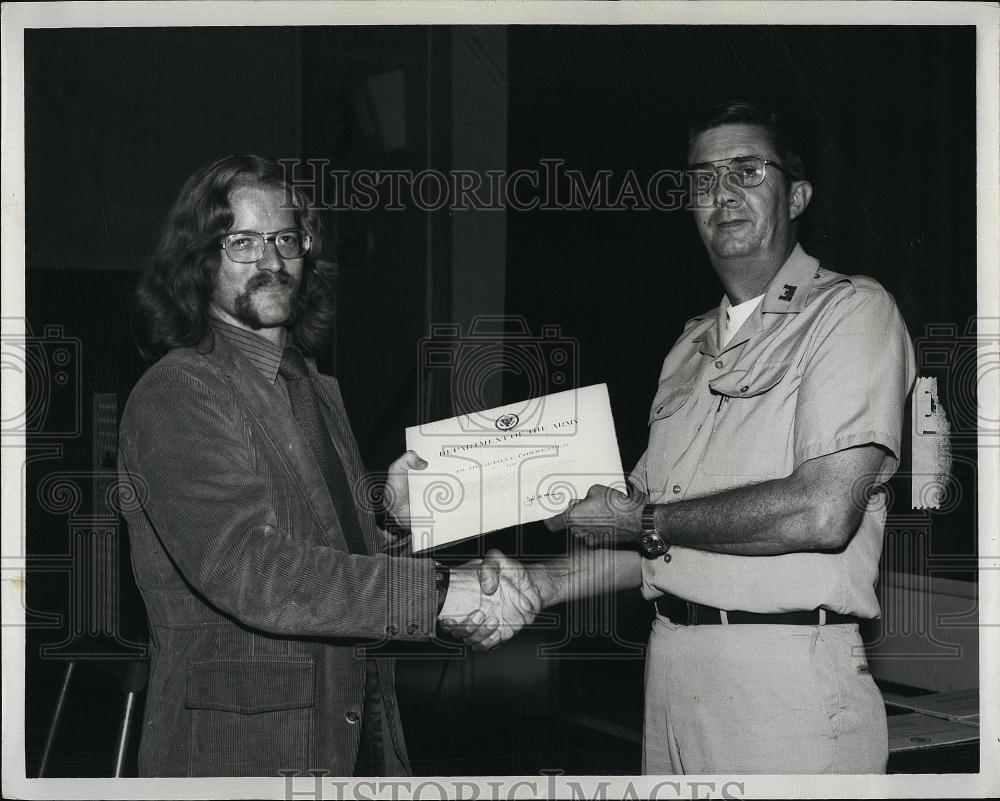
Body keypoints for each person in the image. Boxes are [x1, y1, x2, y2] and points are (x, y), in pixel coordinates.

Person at [460, 101, 916, 774]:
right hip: (671, 672)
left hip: (785, 685)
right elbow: (655, 544)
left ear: (797, 195)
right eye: (702, 178)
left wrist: (638, 516)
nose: (722, 192)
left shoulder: (850, 312)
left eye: (746, 170)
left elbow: (821, 510)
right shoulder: (688, 347)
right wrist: (534, 583)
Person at [118, 155, 538, 777]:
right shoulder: (179, 393)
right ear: (198, 259)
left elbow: (339, 566)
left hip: (352, 729)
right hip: (242, 756)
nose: (270, 261)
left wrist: (396, 524)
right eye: (242, 242)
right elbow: (250, 568)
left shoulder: (312, 388)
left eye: (285, 238)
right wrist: (442, 594)